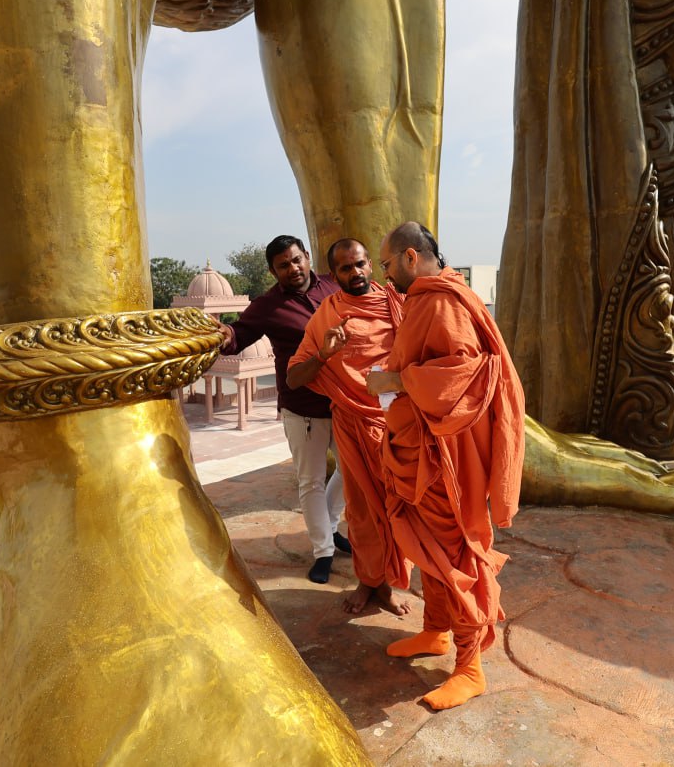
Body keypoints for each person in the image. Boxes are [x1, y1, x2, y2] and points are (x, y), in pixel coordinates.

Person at [366, 222, 525, 711]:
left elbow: (466, 373)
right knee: (428, 549)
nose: (385, 275)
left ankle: (470, 666)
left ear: (411, 257)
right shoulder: (428, 298)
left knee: (455, 554)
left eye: (388, 264)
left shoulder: (442, 300)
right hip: (422, 448)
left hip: (445, 458)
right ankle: (435, 631)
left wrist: (394, 378)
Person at [286, 238, 411, 617]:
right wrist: (325, 354)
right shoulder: (328, 314)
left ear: (370, 264)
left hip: (398, 424)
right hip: (354, 424)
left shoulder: (399, 303)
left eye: (359, 265)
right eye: (345, 268)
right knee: (360, 511)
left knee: (396, 508)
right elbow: (294, 377)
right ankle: (369, 581)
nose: (354, 273)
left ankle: (387, 585)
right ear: (334, 273)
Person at [215, 235, 350, 584]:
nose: (292, 269)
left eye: (296, 260)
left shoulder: (334, 287)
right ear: (273, 271)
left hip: (344, 402)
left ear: (306, 256)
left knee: (353, 472)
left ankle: (330, 527)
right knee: (311, 482)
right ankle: (323, 550)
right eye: (283, 266)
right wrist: (221, 333)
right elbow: (238, 335)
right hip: (303, 407)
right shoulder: (269, 306)